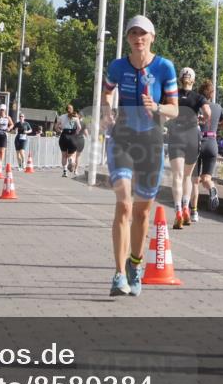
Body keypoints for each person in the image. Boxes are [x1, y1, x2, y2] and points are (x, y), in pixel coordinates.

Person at [101, 15, 179, 297]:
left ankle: (135, 264)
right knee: (123, 204)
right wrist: (107, 110)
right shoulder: (118, 66)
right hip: (121, 137)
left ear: (152, 37)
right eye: (133, 33)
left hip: (151, 141)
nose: (138, 38)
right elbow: (107, 92)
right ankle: (119, 273)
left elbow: (175, 109)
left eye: (143, 33)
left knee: (143, 212)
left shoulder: (164, 67)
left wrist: (157, 107)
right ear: (128, 38)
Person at [166, 68, 210, 229]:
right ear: (193, 80)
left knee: (177, 176)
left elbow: (164, 113)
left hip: (176, 134)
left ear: (180, 79)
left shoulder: (173, 95)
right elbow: (207, 113)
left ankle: (177, 211)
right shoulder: (199, 97)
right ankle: (186, 208)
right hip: (192, 135)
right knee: (188, 176)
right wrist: (201, 119)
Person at [192, 79, 223, 218]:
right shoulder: (218, 107)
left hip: (197, 142)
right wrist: (214, 126)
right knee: (207, 178)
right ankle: (212, 188)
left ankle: (194, 212)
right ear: (211, 94)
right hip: (212, 143)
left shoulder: (195, 106)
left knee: (195, 180)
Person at [56, 104, 81, 177]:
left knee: (64, 155)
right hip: (72, 136)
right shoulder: (76, 117)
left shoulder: (61, 117)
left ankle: (65, 172)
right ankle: (70, 159)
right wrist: (76, 133)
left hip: (64, 135)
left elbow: (56, 127)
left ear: (66, 109)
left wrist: (60, 131)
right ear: (72, 109)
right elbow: (79, 127)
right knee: (71, 154)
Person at [0, 104, 15, 169]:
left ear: (5, 110)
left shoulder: (8, 117)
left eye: (3, 110)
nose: (1, 111)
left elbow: (12, 124)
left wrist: (9, 128)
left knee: (2, 151)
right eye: (1, 110)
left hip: (4, 135)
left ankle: (0, 164)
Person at [71, 112, 88, 177]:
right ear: (82, 117)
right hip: (81, 140)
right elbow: (86, 134)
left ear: (78, 116)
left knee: (73, 154)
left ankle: (72, 162)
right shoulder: (84, 123)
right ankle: (76, 170)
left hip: (74, 139)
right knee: (78, 157)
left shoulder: (74, 123)